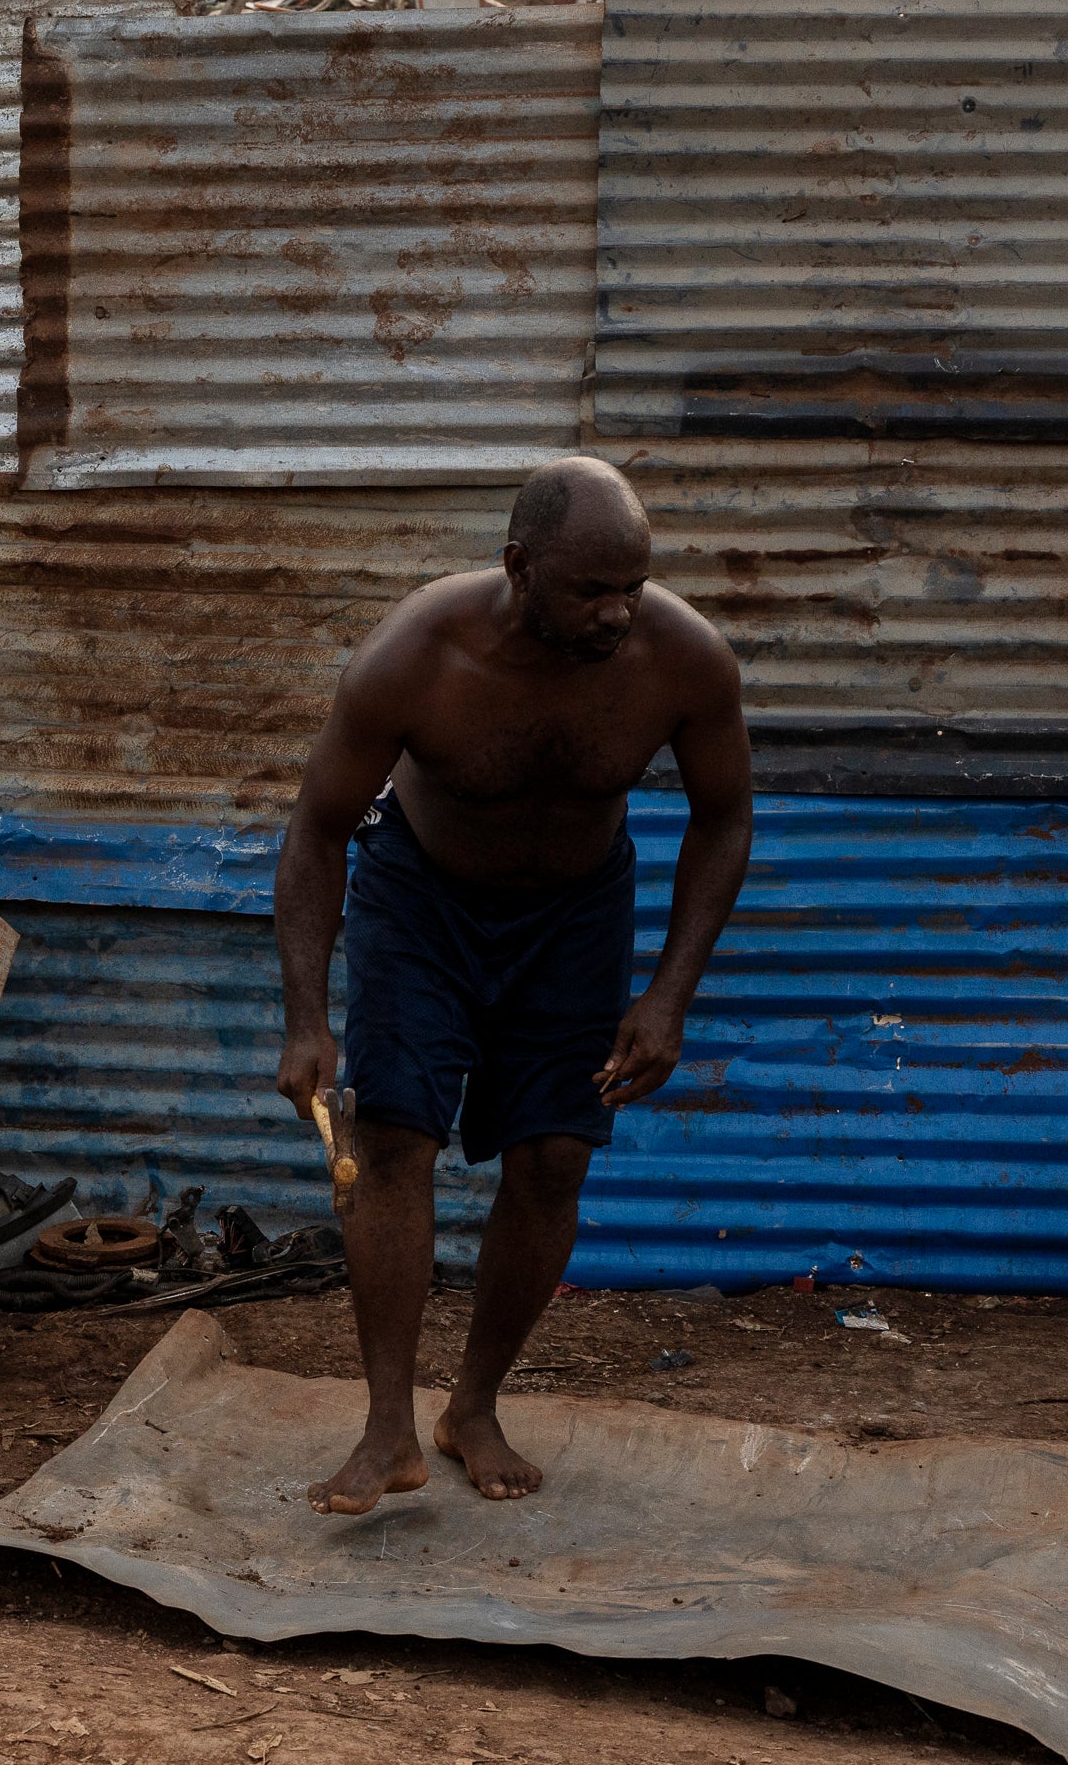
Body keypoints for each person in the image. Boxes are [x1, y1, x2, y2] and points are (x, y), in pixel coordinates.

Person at [272, 455, 752, 1513]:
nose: (618, 612)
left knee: (552, 1158)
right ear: (519, 566)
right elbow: (314, 829)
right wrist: (307, 1016)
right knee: (393, 1135)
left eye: (633, 585)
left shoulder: (685, 661)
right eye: (590, 589)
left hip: (577, 913)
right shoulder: (414, 657)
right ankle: (389, 1428)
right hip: (422, 898)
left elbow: (725, 819)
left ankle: (472, 1406)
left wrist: (669, 993)